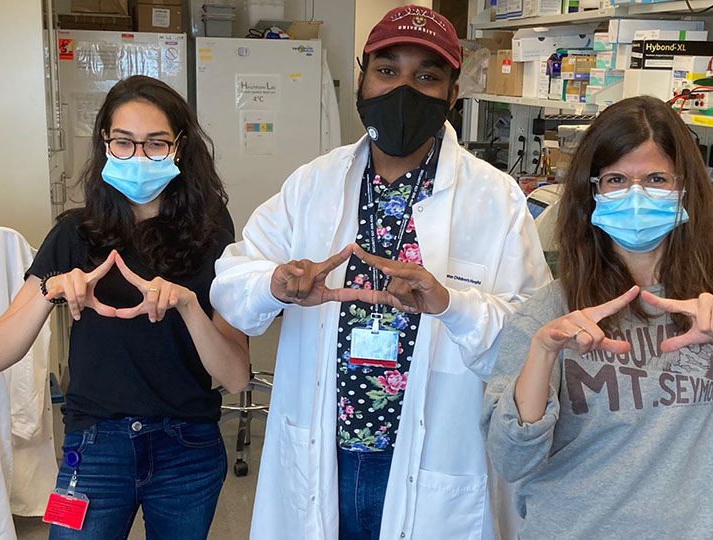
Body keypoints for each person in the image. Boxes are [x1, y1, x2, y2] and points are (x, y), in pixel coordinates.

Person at [210, 6, 550, 540]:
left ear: (451, 97)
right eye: (387, 71)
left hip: (428, 453)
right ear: (362, 79)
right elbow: (230, 283)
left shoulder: (494, 199)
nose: (403, 89)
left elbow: (529, 338)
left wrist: (452, 305)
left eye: (427, 76)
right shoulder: (313, 184)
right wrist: (275, 282)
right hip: (326, 446)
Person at [481, 96, 713, 539]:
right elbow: (511, 461)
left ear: (687, 189)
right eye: (616, 180)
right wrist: (543, 353)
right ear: (593, 193)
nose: (637, 195)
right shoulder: (549, 314)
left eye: (657, 178)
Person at [0, 75, 249, 540]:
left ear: (180, 147)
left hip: (188, 447)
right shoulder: (73, 234)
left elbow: (236, 375)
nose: (139, 157)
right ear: (105, 142)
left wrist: (187, 305)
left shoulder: (212, 238)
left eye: (156, 144)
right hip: (92, 448)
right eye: (124, 142)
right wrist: (51, 292)